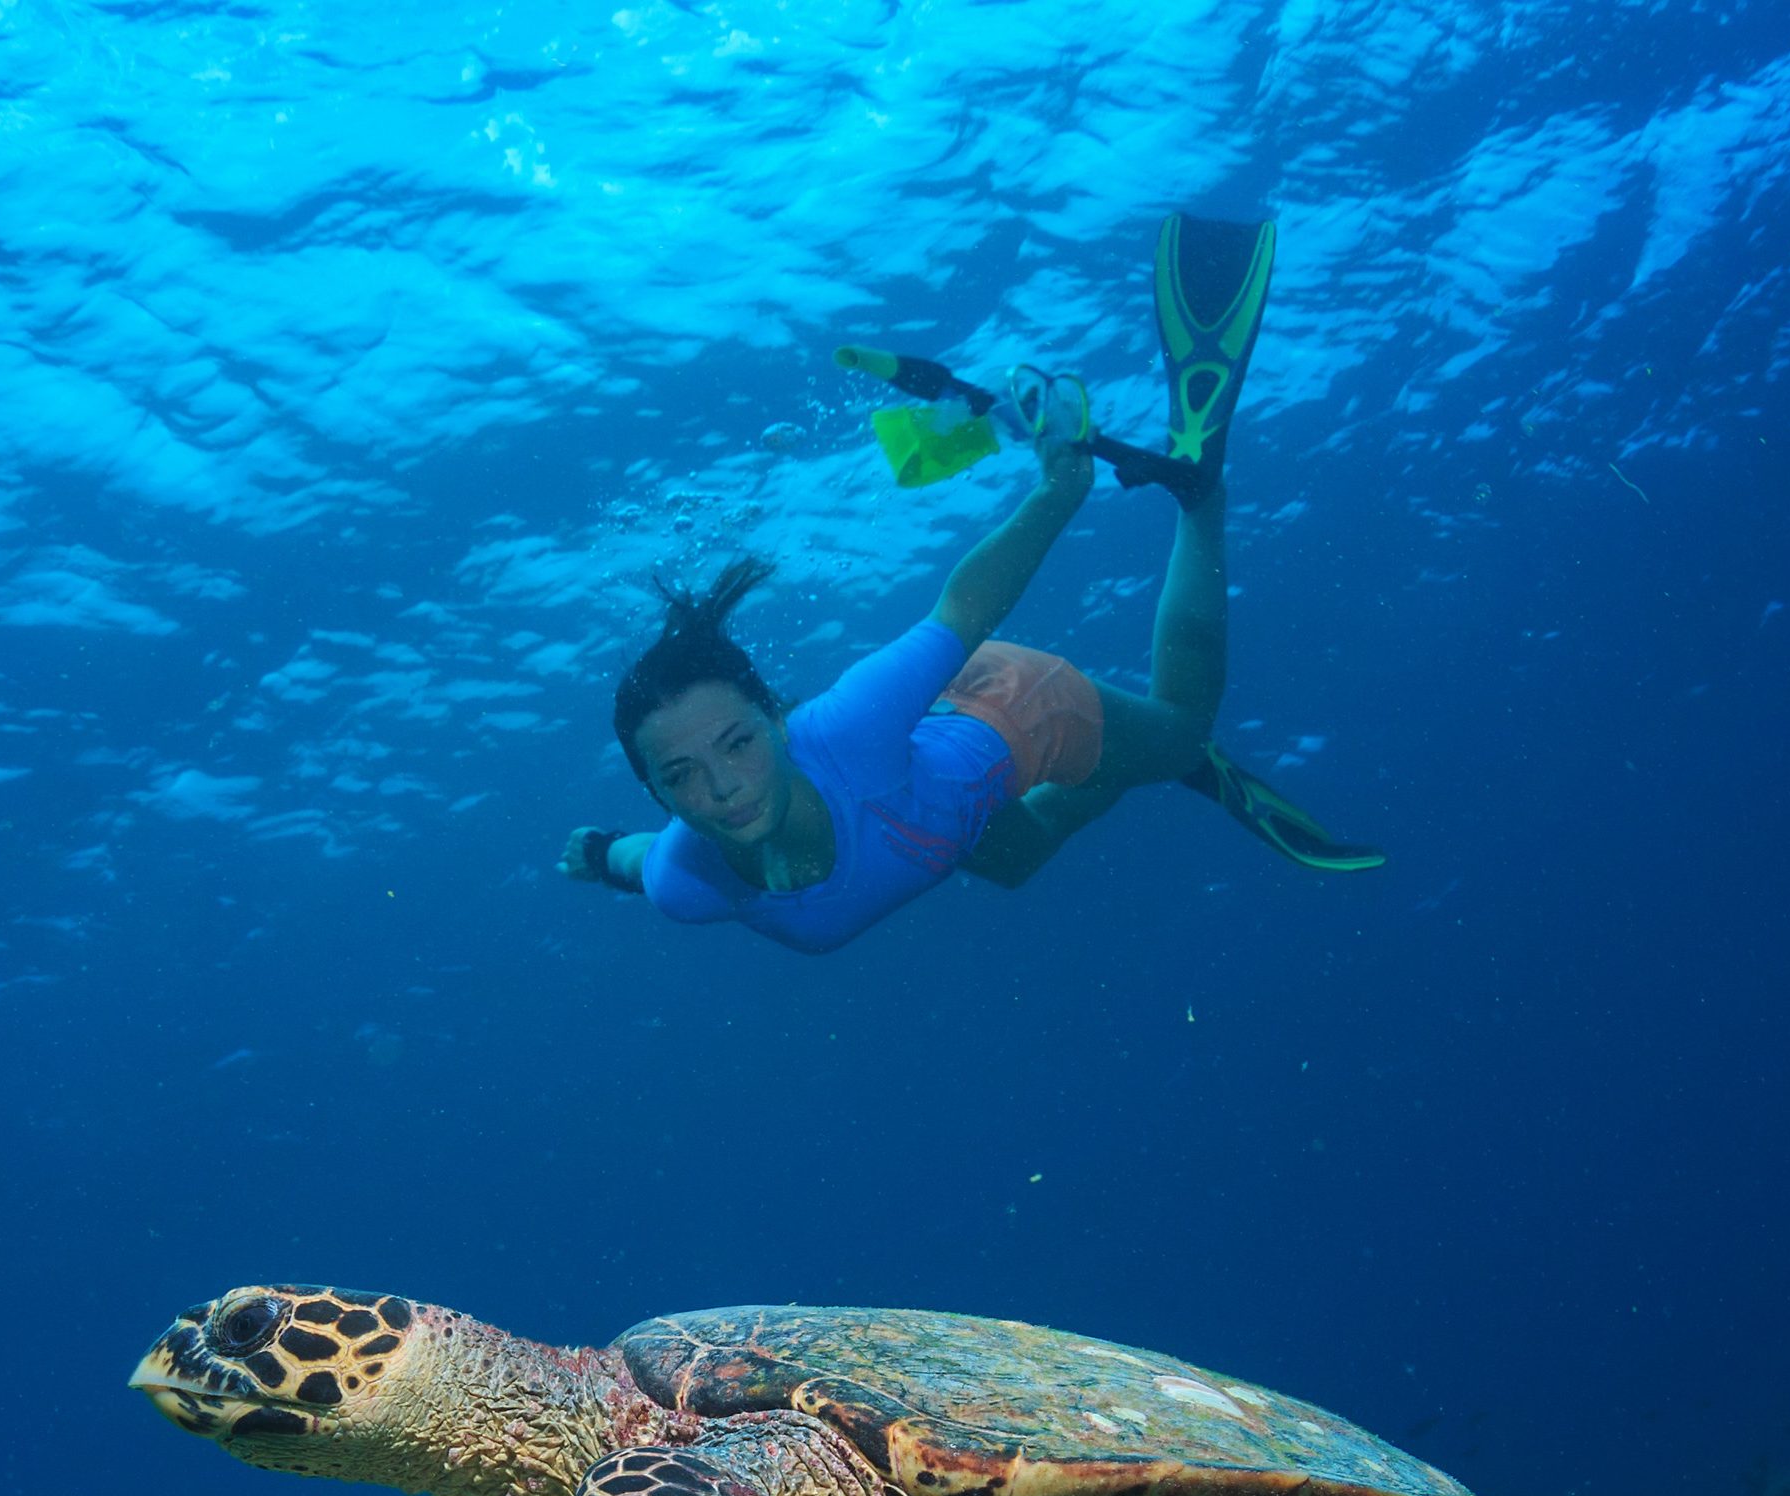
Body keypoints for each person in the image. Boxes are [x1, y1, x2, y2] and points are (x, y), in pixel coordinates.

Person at [560, 213, 1379, 957]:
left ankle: (1201, 511)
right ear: (655, 791)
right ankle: (1130, 758)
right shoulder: (685, 882)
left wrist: (1061, 488)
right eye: (681, 775)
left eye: (737, 743)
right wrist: (597, 856)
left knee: (1185, 732)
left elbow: (963, 608)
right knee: (1015, 862)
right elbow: (636, 858)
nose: (722, 786)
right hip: (937, 786)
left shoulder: (848, 729)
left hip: (1020, 708)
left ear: (776, 720)